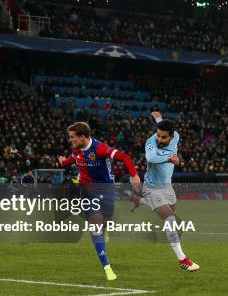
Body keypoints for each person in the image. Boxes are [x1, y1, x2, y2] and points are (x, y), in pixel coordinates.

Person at [59, 122, 140, 281]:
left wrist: (134, 175)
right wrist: (63, 162)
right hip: (87, 191)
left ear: (82, 137)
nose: (71, 140)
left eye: (72, 137)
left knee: (107, 219)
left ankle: (106, 227)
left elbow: (124, 157)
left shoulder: (100, 148)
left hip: (106, 189)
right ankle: (107, 267)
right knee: (95, 226)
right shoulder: (76, 150)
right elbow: (71, 159)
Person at [131, 112, 199, 271]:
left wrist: (160, 119)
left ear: (172, 136)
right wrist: (170, 159)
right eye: (158, 136)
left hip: (167, 187)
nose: (159, 139)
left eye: (163, 137)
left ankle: (137, 200)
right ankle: (183, 260)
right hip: (151, 188)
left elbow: (169, 133)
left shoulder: (176, 137)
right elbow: (151, 158)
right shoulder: (151, 142)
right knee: (170, 219)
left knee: (172, 210)